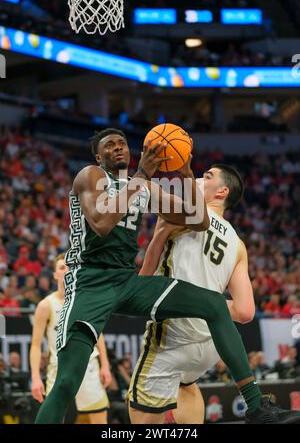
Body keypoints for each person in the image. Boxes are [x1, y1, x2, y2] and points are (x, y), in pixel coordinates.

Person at [35, 128, 300, 424]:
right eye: (109, 145)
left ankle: (256, 407)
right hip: (89, 284)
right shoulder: (90, 176)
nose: (118, 147)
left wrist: (186, 171)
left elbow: (198, 220)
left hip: (126, 282)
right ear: (99, 156)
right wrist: (141, 177)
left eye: (122, 143)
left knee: (213, 303)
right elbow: (101, 222)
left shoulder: (142, 187)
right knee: (67, 383)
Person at [128, 165, 256, 423]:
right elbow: (245, 311)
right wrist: (210, 304)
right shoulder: (237, 244)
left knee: (139, 405)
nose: (198, 179)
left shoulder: (182, 212)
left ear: (222, 191)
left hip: (174, 335)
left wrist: (159, 234)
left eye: (207, 176)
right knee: (187, 385)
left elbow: (146, 276)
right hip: (210, 343)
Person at [30, 254, 111, 424]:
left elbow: (98, 334)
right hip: (59, 369)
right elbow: (36, 345)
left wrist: (105, 365)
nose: (66, 270)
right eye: (61, 267)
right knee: (54, 417)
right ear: (55, 275)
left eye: (69, 266)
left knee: (99, 419)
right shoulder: (45, 305)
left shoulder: (86, 301)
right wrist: (36, 378)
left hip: (88, 366)